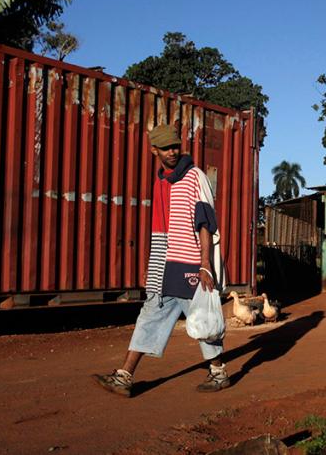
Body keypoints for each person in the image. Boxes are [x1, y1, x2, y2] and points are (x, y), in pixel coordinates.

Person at [93, 124, 229, 397]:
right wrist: (155, 263)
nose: (173, 152)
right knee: (150, 315)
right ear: (154, 150)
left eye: (175, 146)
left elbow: (205, 223)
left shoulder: (194, 176)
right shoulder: (161, 182)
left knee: (203, 319)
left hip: (190, 264)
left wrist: (204, 264)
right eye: (166, 148)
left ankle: (218, 372)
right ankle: (125, 376)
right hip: (164, 263)